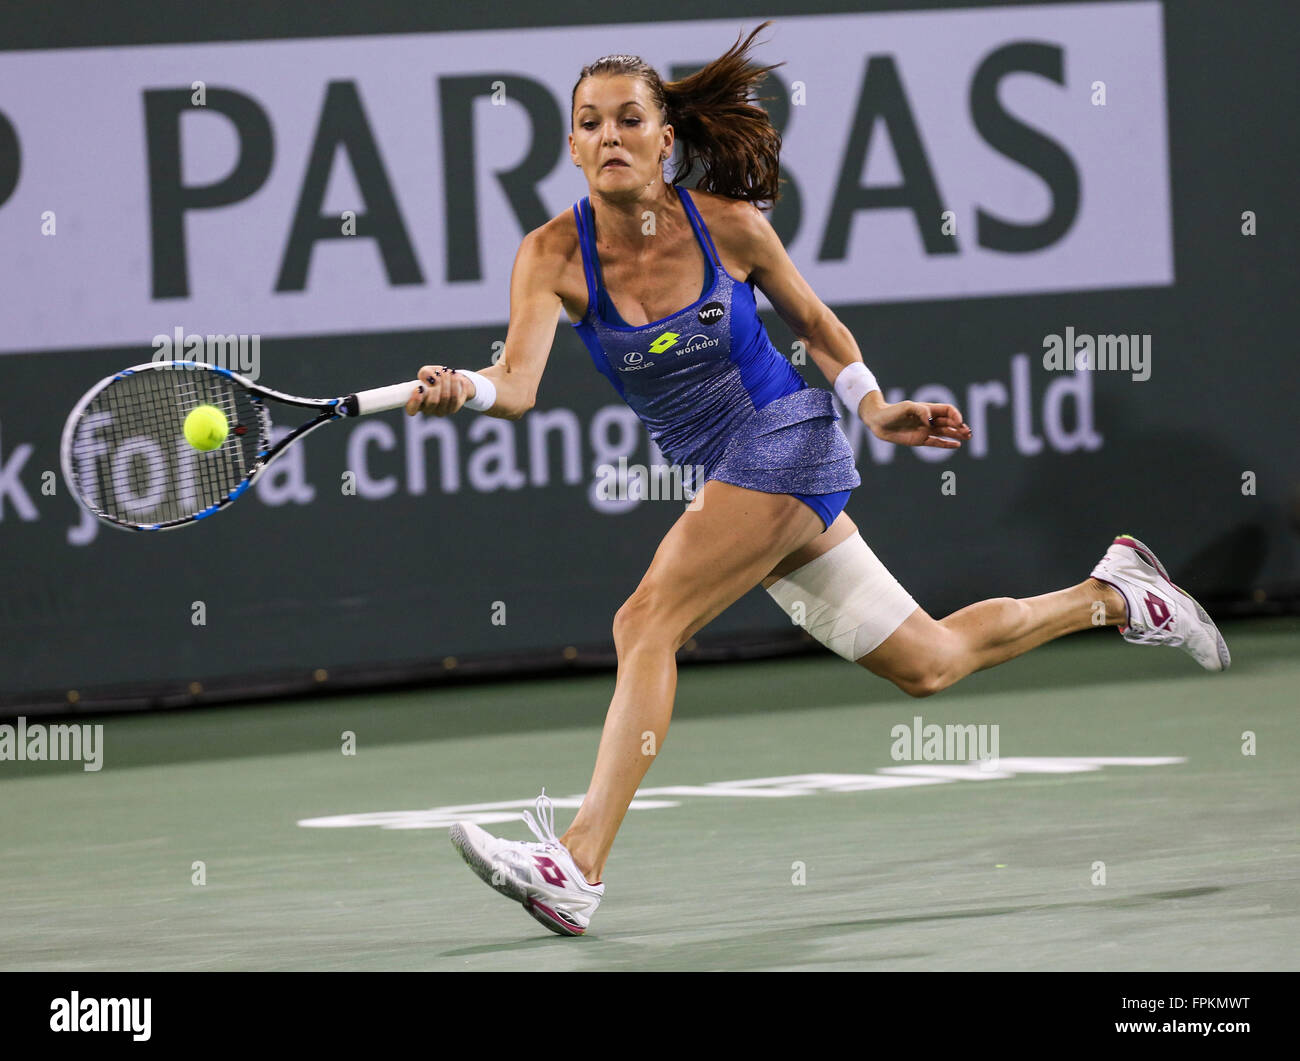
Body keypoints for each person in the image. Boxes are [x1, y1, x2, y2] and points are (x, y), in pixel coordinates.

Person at [404, 24, 1230, 937]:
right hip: (730, 477)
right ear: (570, 144)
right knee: (930, 662)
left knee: (645, 620)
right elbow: (516, 385)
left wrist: (874, 407)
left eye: (629, 120)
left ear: (664, 137)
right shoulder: (549, 255)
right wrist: (464, 388)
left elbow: (817, 325)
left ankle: (577, 861)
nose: (610, 137)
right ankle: (1117, 594)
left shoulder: (729, 226)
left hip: (787, 441)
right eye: (590, 123)